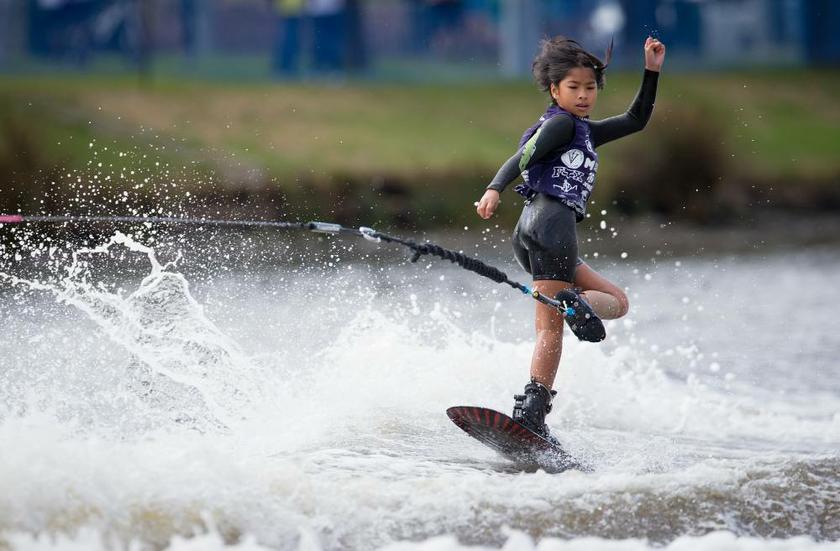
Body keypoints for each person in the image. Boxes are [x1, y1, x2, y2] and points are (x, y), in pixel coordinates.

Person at [475, 36, 666, 442]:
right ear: (554, 90)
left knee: (604, 307)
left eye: (590, 88)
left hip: (530, 230)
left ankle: (532, 408)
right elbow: (523, 156)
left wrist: (651, 72)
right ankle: (533, 413)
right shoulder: (560, 124)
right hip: (553, 225)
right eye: (574, 88)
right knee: (565, 324)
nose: (583, 96)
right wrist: (495, 187)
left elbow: (636, 120)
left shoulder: (581, 131)